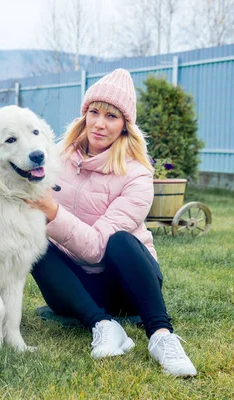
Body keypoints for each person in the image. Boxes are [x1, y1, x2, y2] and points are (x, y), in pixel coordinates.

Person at [26, 68, 197, 377]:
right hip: (75, 290)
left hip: (128, 287)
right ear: (84, 114)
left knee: (119, 239)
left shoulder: (137, 176)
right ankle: (102, 325)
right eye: (94, 112)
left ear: (124, 126)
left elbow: (96, 250)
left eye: (112, 117)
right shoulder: (56, 158)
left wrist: (52, 211)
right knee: (31, 239)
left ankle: (161, 337)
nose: (100, 124)